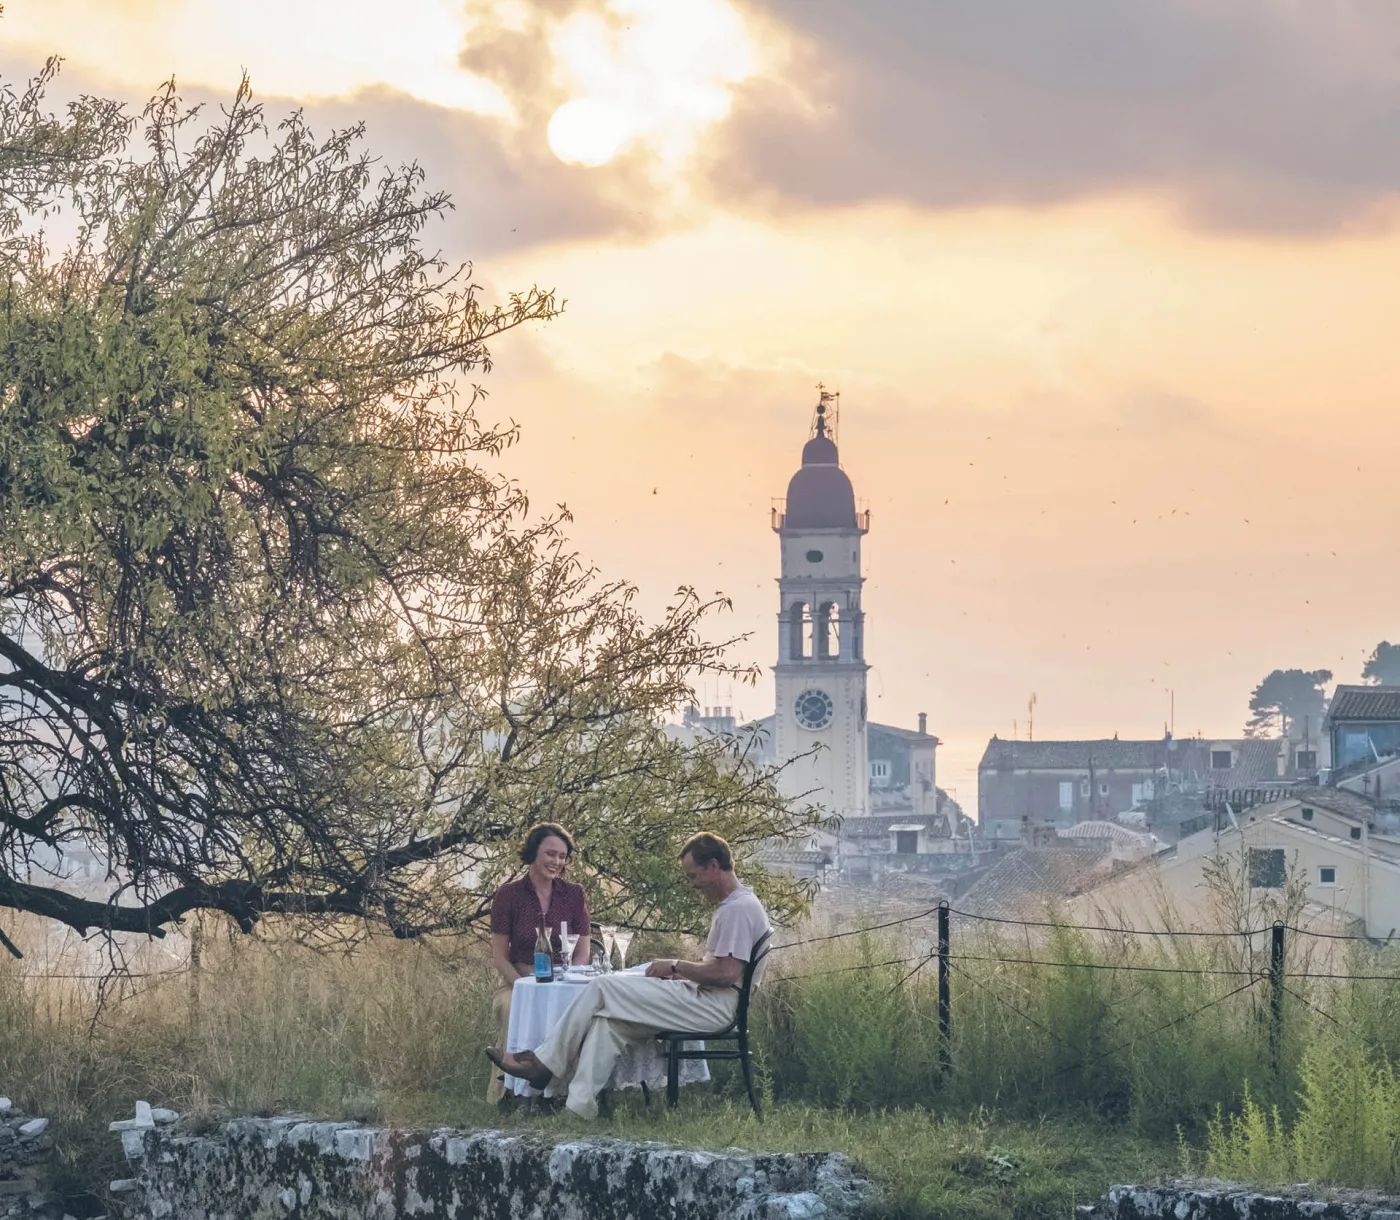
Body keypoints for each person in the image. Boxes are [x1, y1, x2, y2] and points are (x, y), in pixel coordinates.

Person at [486, 831, 770, 1119]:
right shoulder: (736, 905)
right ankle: (578, 1108)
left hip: (715, 1007)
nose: (692, 884)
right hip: (705, 997)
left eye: (693, 876)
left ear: (713, 866)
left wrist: (676, 966)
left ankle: (543, 1065)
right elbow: (723, 969)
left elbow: (725, 974)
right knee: (608, 1024)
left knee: (603, 986)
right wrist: (682, 975)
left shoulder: (738, 909)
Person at [486, 822, 591, 1104]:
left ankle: (562, 1095)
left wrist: (567, 982)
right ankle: (508, 1094)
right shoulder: (508, 895)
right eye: (550, 854)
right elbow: (499, 957)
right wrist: (524, 988)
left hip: (564, 981)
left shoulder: (574, 894)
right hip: (517, 979)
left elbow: (583, 953)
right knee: (512, 1008)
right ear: (533, 852)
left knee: (574, 1014)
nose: (556, 861)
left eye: (562, 856)